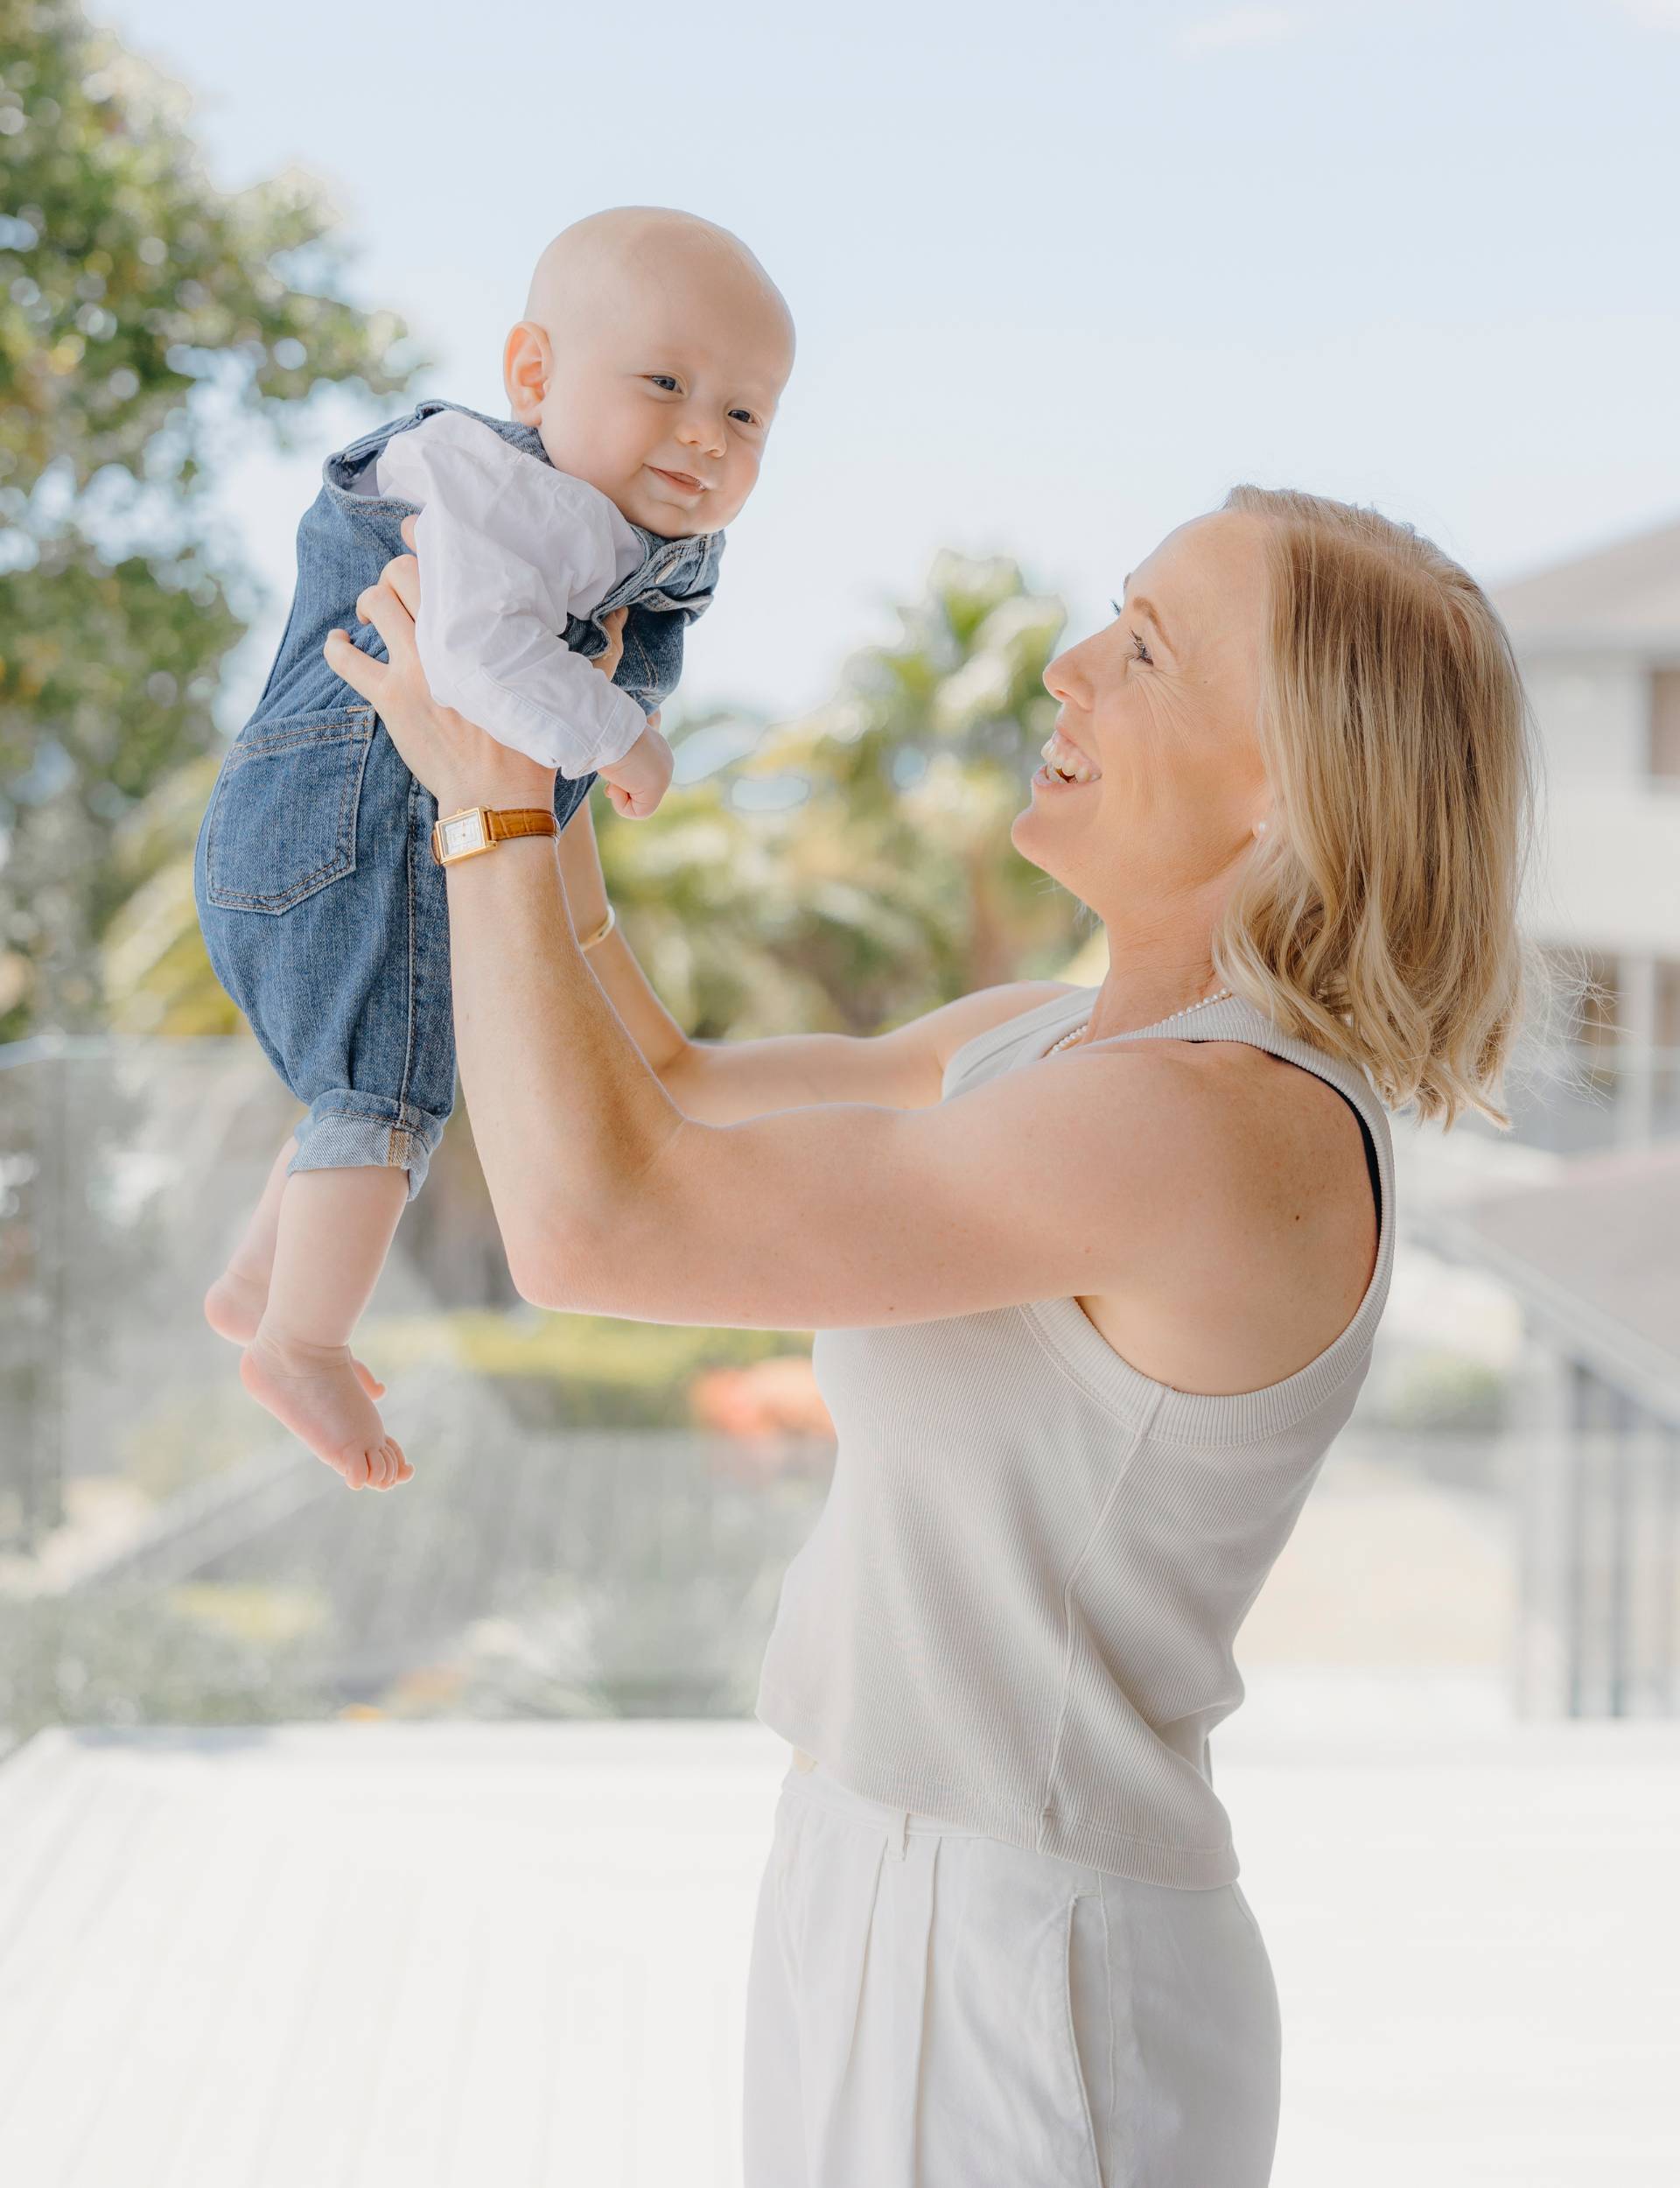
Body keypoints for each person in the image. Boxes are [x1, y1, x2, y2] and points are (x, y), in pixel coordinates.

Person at [325, 483, 1536, 2187]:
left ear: (1289, 790)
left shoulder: (1213, 1122)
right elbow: (665, 1091)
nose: (1066, 664)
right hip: (877, 1866)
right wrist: (531, 733)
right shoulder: (1051, 1041)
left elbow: (599, 1223)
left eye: (1145, 648)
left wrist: (493, 813)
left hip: (1030, 1940)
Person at [192, 207, 794, 1489]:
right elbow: (473, 656)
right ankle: (303, 1339)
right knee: (388, 1093)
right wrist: (620, 738)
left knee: (361, 1077)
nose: (706, 434)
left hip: (305, 831)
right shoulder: (517, 497)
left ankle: (261, 1281)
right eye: (667, 385)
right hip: (349, 824)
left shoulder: (544, 501)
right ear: (533, 375)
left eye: (748, 416)